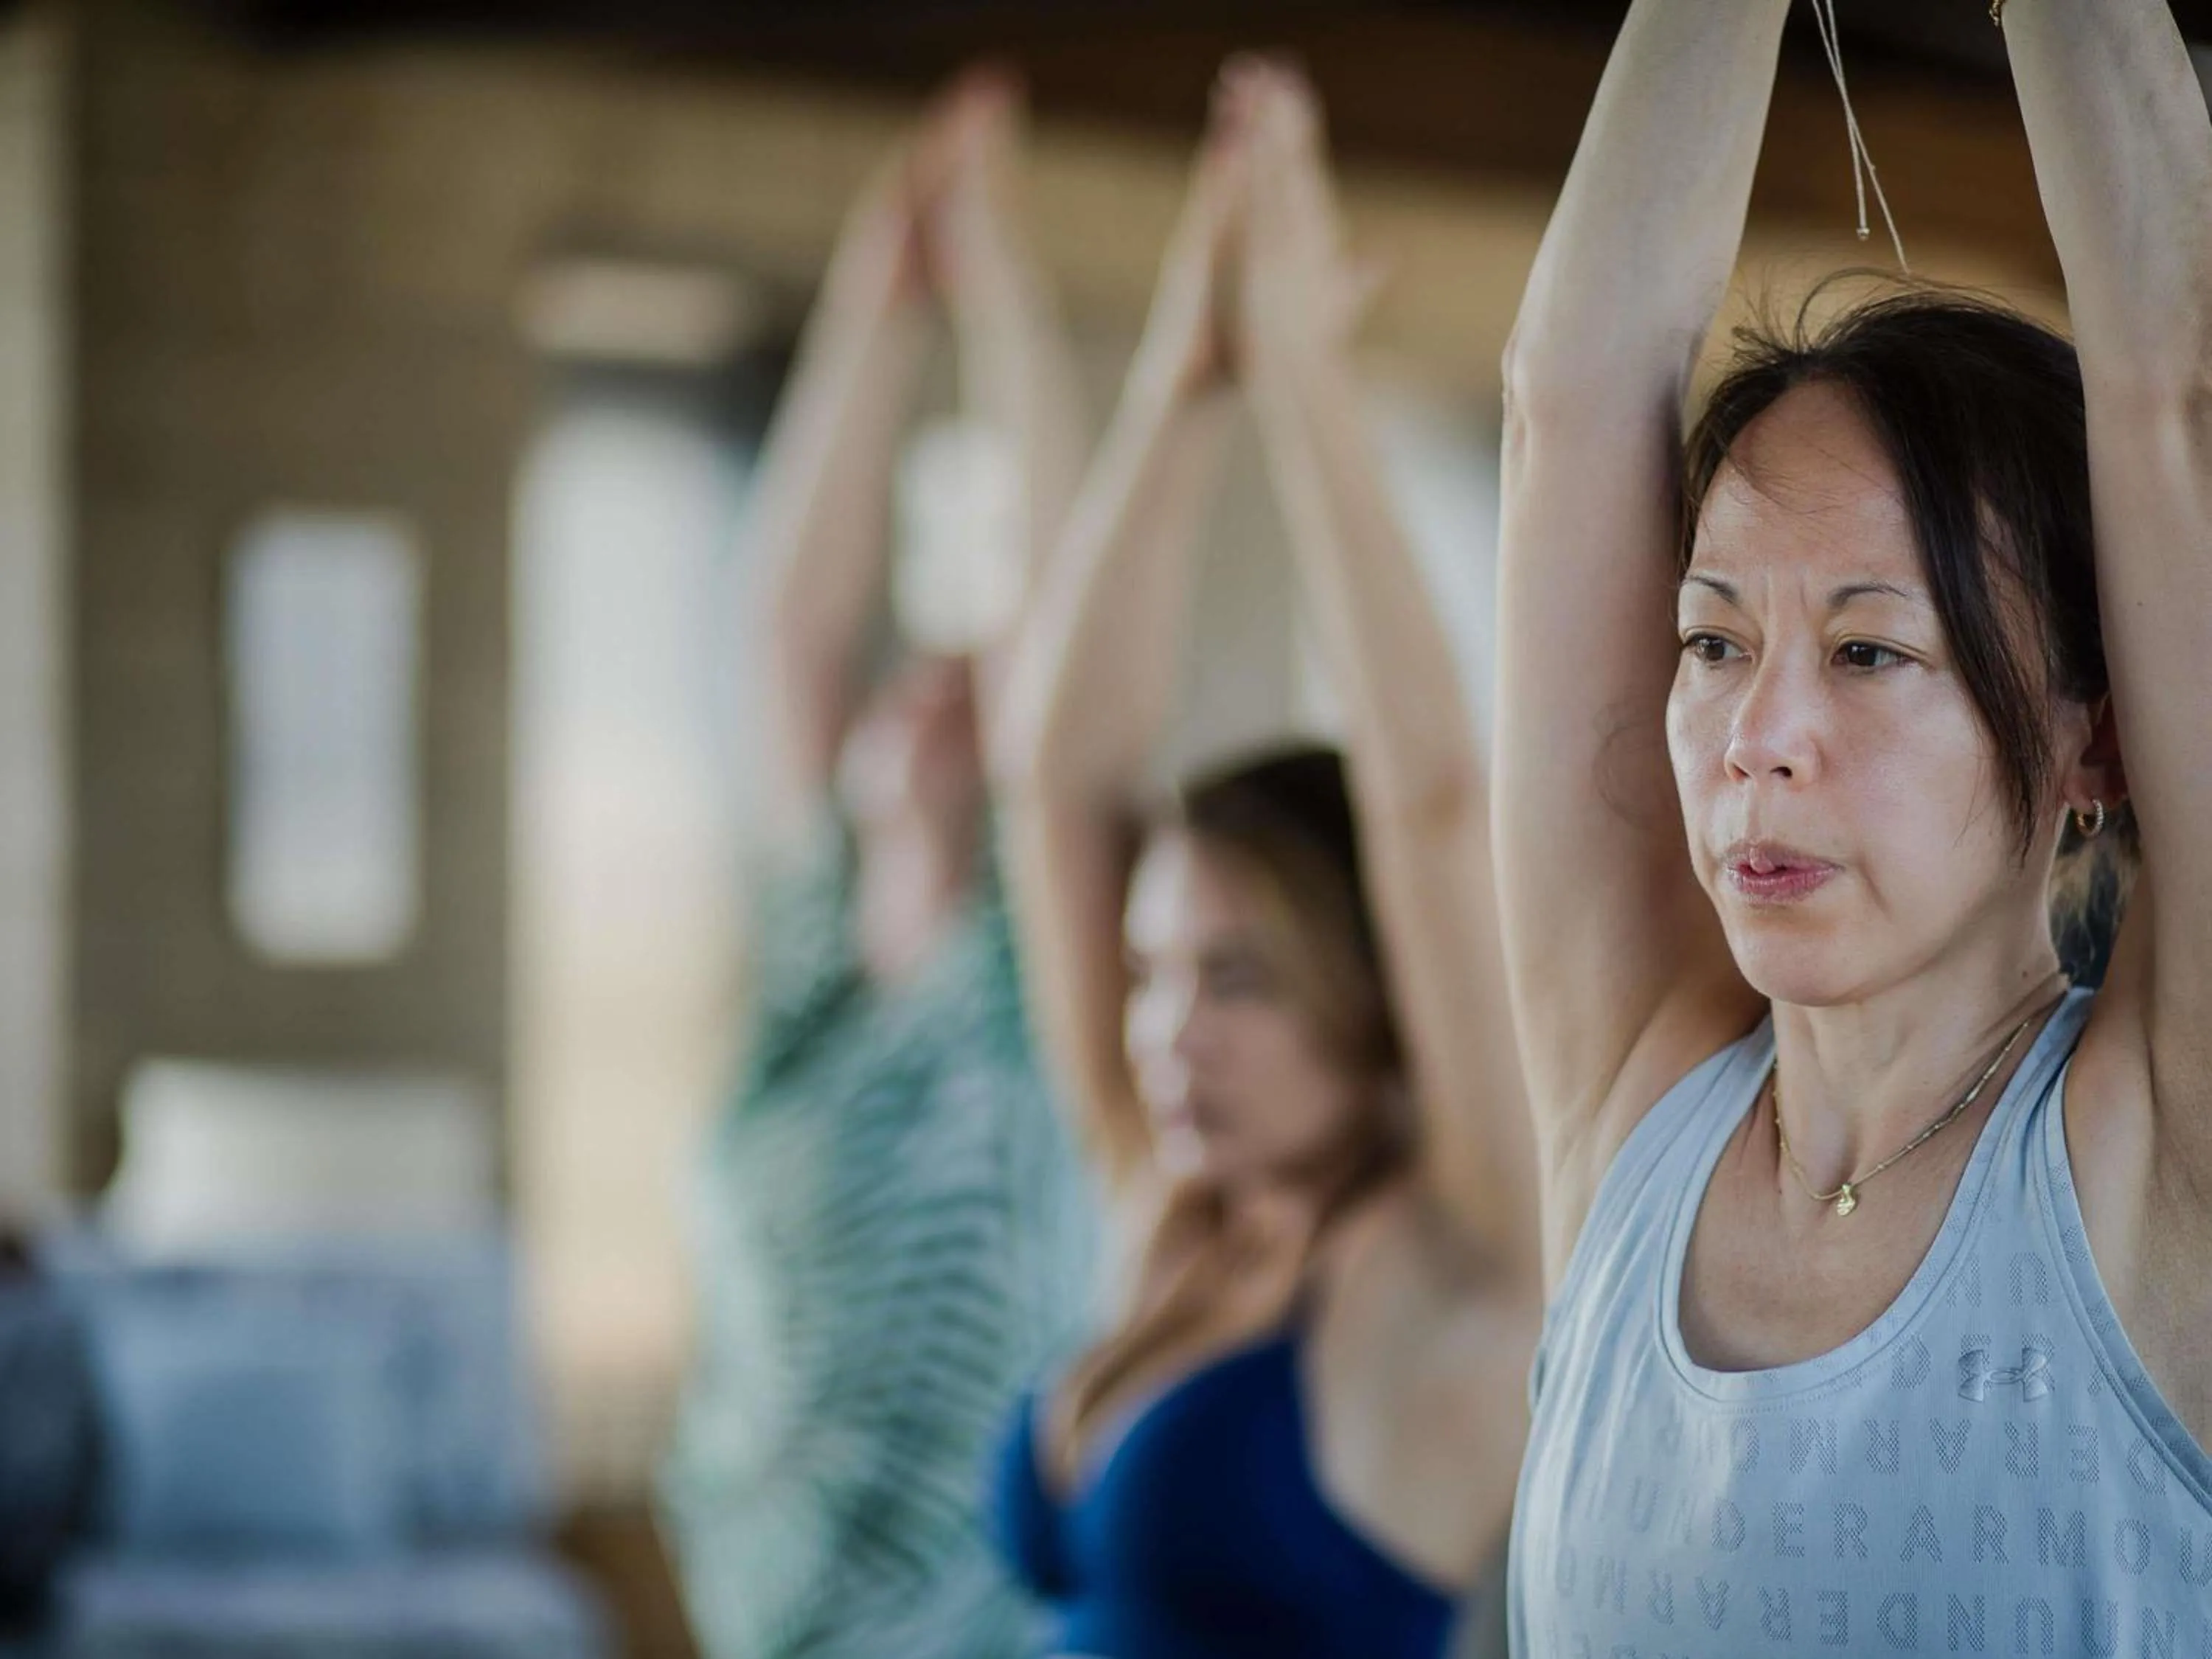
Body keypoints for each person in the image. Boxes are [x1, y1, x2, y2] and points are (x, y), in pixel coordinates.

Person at [1495, 1, 2212, 1652]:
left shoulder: (2158, 1159)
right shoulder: (1636, 1105)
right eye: (1714, 642)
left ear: (2097, 736)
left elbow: (2182, 384)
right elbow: (1571, 401)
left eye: (1871, 652)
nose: (1760, 739)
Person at [989, 62, 1538, 1659]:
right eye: (1152, 973)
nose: (1167, 1030)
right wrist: (1186, 367)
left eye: (1237, 978)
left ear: (1373, 997)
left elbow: (1435, 804)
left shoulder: (1462, 1257)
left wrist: (1304, 380)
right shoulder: (1176, 1213)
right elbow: (1058, 780)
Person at [657, 72, 1099, 1659]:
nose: (924, 679)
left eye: (972, 687)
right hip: (759, 1609)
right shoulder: (818, 974)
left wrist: (1000, 284)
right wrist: (874, 301)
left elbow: (1071, 589)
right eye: (911, 673)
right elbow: (786, 631)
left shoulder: (1032, 974)